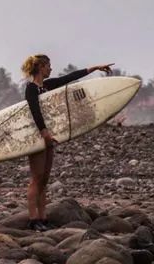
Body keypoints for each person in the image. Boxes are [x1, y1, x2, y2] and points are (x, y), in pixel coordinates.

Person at [21, 54, 113, 231]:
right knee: (36, 178)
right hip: (36, 136)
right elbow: (35, 112)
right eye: (48, 66)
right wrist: (44, 133)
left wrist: (95, 68)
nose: (51, 69)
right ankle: (33, 220)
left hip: (50, 136)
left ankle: (43, 218)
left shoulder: (47, 86)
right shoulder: (31, 88)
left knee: (45, 180)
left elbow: (71, 77)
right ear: (41, 67)